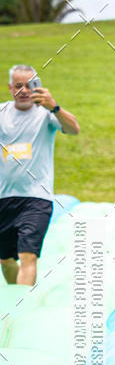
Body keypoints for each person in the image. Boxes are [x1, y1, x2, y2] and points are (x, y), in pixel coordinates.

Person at [0, 64, 79, 286]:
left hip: (37, 198)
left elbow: (74, 129)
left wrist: (54, 107)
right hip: (4, 198)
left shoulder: (46, 115)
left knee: (28, 256)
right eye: (18, 86)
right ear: (9, 87)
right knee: (6, 260)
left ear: (37, 87)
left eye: (29, 85)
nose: (23, 91)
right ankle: (15, 302)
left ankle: (23, 311)